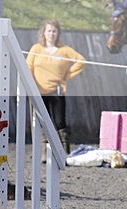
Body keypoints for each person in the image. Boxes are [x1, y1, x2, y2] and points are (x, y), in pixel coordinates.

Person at [26, 20, 86, 158]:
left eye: (54, 31)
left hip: (56, 91)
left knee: (59, 122)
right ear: (44, 33)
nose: (51, 34)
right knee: (41, 121)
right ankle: (43, 153)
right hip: (38, 92)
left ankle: (64, 152)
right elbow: (28, 66)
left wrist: (66, 76)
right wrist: (31, 83)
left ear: (58, 34)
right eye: (49, 31)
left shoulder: (64, 50)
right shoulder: (36, 49)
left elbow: (81, 61)